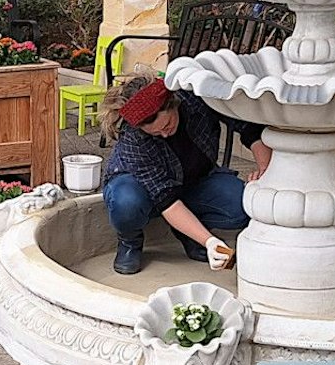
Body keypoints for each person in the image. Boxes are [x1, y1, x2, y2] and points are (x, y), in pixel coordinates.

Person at [100, 74, 271, 275]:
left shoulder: (197, 98)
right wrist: (210, 241)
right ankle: (130, 242)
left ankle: (188, 233)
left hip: (195, 181)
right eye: (155, 134)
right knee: (127, 201)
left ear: (172, 104)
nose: (165, 134)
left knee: (242, 205)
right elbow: (166, 200)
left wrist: (266, 171)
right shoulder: (133, 139)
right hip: (142, 190)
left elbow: (247, 127)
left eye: (167, 125)